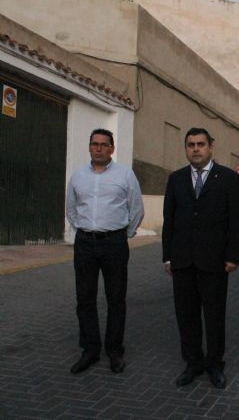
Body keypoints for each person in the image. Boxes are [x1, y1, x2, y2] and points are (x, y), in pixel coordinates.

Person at [162, 127, 239, 388]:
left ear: (210, 147)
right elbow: (169, 221)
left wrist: (233, 256)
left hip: (215, 261)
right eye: (190, 145)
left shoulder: (229, 178)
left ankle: (214, 365)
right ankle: (192, 363)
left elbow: (236, 222)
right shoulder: (176, 179)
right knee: (186, 316)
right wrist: (167, 257)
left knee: (214, 316)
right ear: (186, 148)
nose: (195, 149)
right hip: (183, 261)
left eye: (200, 144)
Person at [66, 128, 144, 374]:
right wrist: (81, 231)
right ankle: (90, 350)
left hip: (115, 243)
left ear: (111, 148)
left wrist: (124, 235)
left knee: (116, 299)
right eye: (94, 144)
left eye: (104, 144)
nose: (99, 148)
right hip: (85, 244)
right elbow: (71, 208)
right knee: (85, 299)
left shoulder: (125, 175)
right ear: (89, 147)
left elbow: (137, 209)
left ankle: (114, 351)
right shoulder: (78, 176)